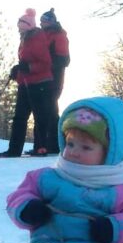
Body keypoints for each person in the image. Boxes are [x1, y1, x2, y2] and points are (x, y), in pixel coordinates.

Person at [6, 96, 123, 243]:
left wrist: (113, 227)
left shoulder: (117, 188)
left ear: (108, 153)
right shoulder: (47, 178)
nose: (74, 152)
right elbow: (17, 197)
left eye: (86, 147)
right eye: (70, 144)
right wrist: (27, 208)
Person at [0, 8, 56, 157]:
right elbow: (25, 61)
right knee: (19, 117)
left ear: (27, 26)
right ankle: (14, 149)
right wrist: (17, 70)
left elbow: (45, 63)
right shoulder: (25, 39)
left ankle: (41, 147)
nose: (19, 30)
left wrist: (27, 67)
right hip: (26, 83)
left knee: (40, 116)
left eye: (21, 27)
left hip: (41, 84)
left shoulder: (37, 38)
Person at [40, 8, 70, 154]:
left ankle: (55, 142)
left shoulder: (59, 34)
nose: (42, 23)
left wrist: (48, 64)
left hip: (54, 76)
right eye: (41, 20)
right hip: (42, 76)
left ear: (50, 21)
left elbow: (63, 58)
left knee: (51, 108)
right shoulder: (41, 35)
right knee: (44, 109)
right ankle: (44, 143)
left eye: (44, 20)